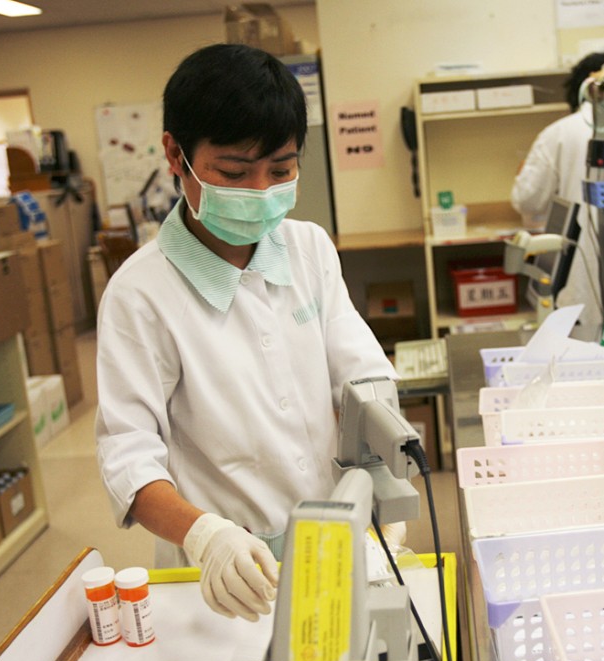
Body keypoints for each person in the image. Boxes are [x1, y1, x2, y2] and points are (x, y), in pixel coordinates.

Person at [94, 44, 396, 623]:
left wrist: (384, 467)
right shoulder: (141, 294)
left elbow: (360, 372)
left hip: (335, 543)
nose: (260, 191)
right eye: (233, 172)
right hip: (225, 577)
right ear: (174, 156)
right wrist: (206, 537)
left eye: (280, 170)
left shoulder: (308, 248)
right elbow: (128, 454)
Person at [511, 52, 604, 340]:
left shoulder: (558, 133)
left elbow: (526, 199)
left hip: (577, 271)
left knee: (585, 349)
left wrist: (521, 173)